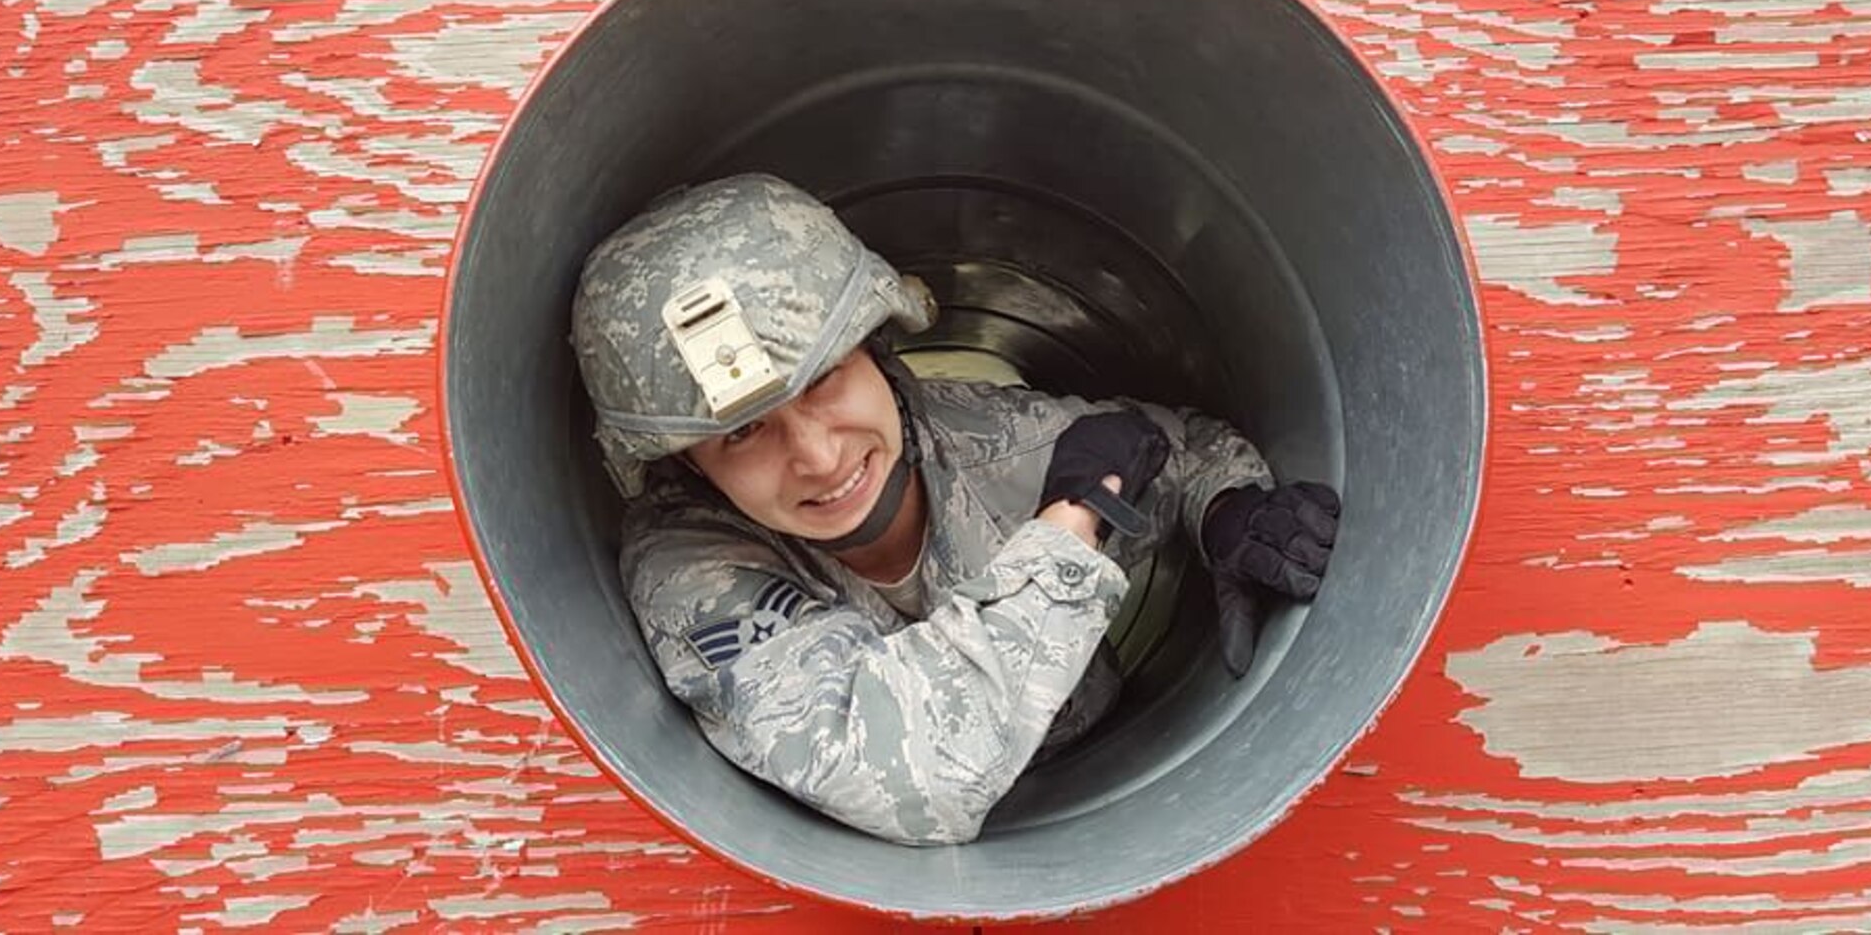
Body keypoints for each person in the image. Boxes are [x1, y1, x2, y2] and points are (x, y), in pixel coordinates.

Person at [572, 173, 1339, 845]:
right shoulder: (693, 572)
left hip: (1101, 772)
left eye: (825, 379)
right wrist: (1071, 523)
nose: (818, 455)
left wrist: (1227, 509)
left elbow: (1176, 447)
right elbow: (916, 778)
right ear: (685, 463)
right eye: (744, 430)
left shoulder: (983, 435)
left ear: (876, 343)